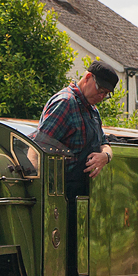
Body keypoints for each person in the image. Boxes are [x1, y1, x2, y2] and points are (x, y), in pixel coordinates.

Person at [34, 60, 117, 193]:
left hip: (82, 192)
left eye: (106, 94)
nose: (101, 96)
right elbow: (37, 150)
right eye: (100, 90)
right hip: (61, 193)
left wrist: (105, 156)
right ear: (88, 77)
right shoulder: (65, 103)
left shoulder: (93, 110)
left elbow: (104, 143)